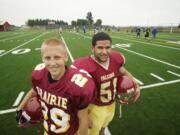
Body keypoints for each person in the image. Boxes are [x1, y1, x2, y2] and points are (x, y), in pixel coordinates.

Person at [16, 38, 96, 135]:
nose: (52, 63)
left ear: (65, 57)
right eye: (47, 58)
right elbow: (34, 91)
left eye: (57, 57)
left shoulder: (78, 86)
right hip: (48, 131)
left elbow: (83, 118)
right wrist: (19, 109)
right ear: (42, 58)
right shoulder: (38, 75)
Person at [72, 32, 140, 135]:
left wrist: (136, 86)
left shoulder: (116, 59)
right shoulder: (83, 65)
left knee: (103, 128)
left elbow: (124, 72)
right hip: (94, 108)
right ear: (93, 48)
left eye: (107, 47)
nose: (104, 52)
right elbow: (74, 93)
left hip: (111, 105)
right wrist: (83, 115)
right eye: (100, 48)